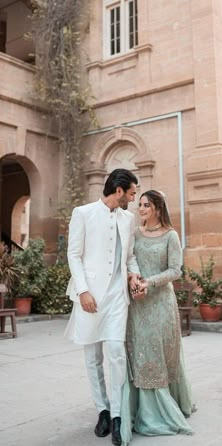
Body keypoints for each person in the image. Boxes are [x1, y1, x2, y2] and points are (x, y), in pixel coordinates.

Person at [64, 168, 140, 446]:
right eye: (131, 193)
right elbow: (74, 254)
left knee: (117, 353)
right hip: (90, 297)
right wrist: (83, 290)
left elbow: (129, 255)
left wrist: (133, 273)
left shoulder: (128, 218)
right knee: (93, 357)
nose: (133, 198)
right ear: (119, 191)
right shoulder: (82, 213)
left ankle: (119, 416)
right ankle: (103, 411)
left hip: (117, 297)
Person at [120, 190, 196, 445]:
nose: (141, 208)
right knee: (140, 351)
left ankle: (162, 408)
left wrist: (149, 283)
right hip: (138, 303)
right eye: (140, 204)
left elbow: (175, 270)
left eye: (146, 205)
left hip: (161, 302)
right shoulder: (135, 233)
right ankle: (140, 408)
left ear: (157, 208)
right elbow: (129, 261)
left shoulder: (171, 235)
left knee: (159, 352)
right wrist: (134, 281)